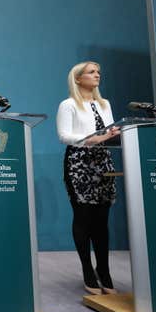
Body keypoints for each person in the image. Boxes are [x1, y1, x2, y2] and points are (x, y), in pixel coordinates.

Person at [56, 61, 120, 296]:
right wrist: (92, 138)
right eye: (92, 72)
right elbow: (64, 136)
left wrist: (113, 135)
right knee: (83, 217)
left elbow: (110, 132)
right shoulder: (68, 104)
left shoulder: (105, 104)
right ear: (78, 78)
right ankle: (87, 271)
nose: (97, 75)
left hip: (102, 162)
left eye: (98, 72)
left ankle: (104, 269)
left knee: (102, 220)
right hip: (79, 163)